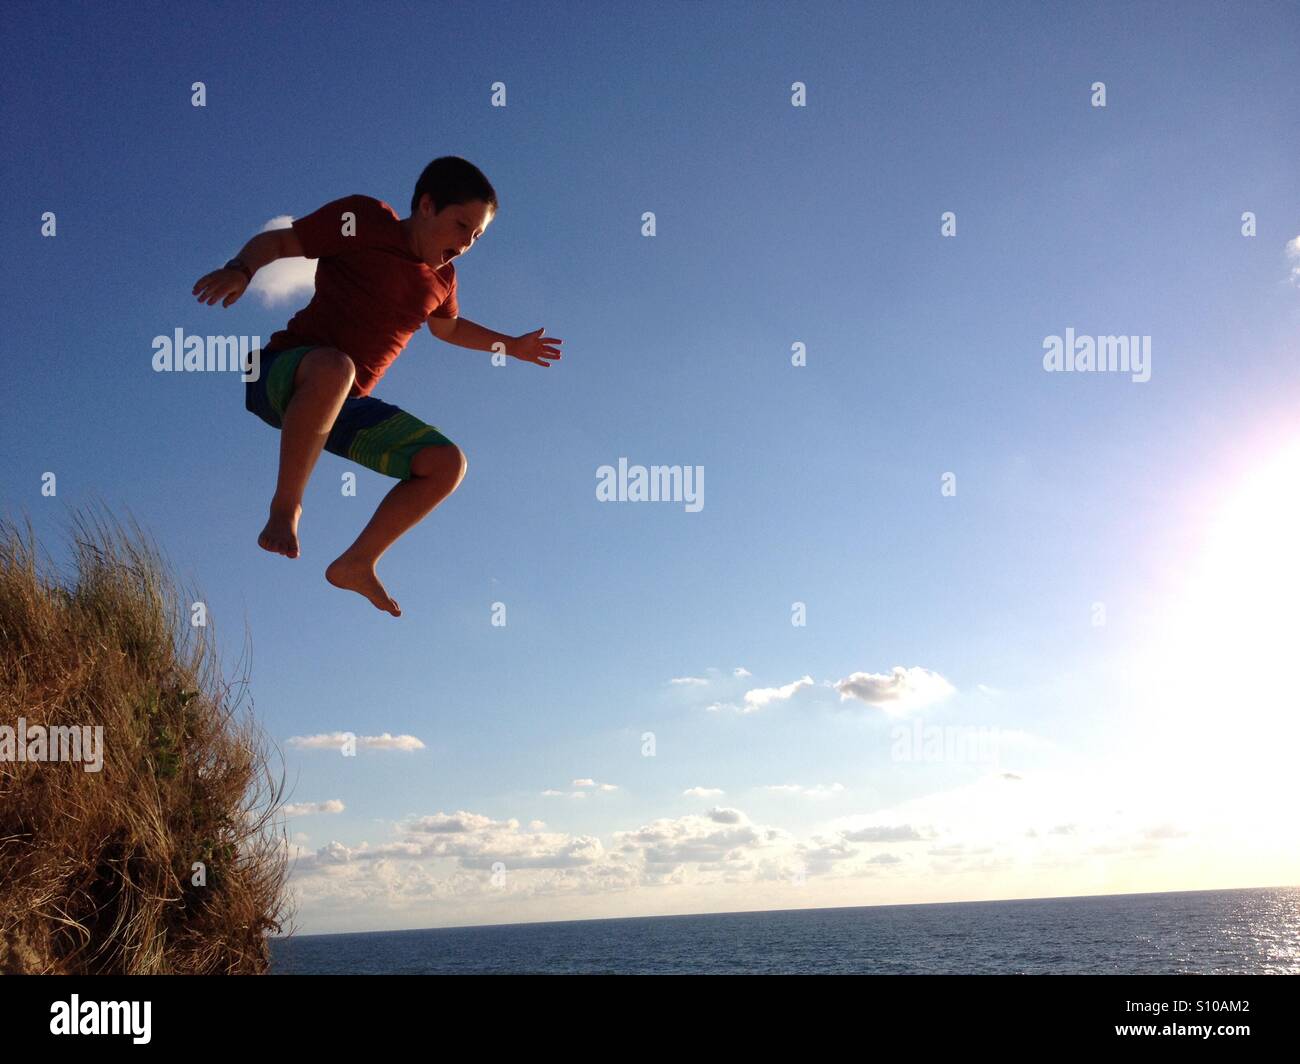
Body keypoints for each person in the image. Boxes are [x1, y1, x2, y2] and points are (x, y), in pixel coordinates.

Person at [192, 156, 562, 616]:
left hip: (341, 404)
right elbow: (284, 240)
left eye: (477, 236)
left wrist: (511, 345)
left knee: (447, 464)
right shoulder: (363, 221)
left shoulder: (443, 281)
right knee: (335, 368)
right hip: (279, 373)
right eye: (461, 225)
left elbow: (447, 330)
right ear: (426, 206)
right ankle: (286, 509)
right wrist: (241, 269)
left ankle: (357, 562)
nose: (466, 244)